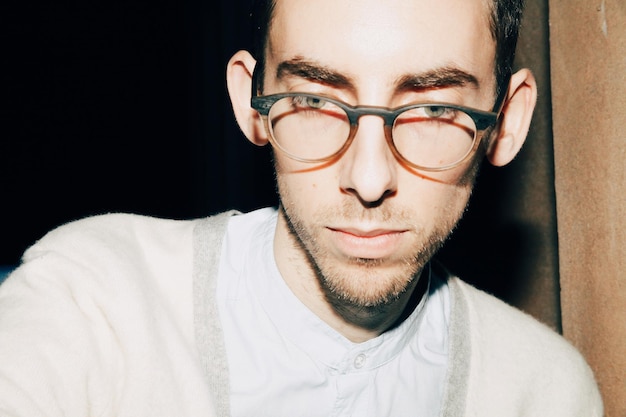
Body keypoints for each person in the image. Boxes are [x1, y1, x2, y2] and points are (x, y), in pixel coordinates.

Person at [0, 0, 603, 416]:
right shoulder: (94, 306)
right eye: (315, 100)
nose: (368, 180)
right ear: (249, 101)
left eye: (435, 111)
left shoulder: (546, 390)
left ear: (509, 121)